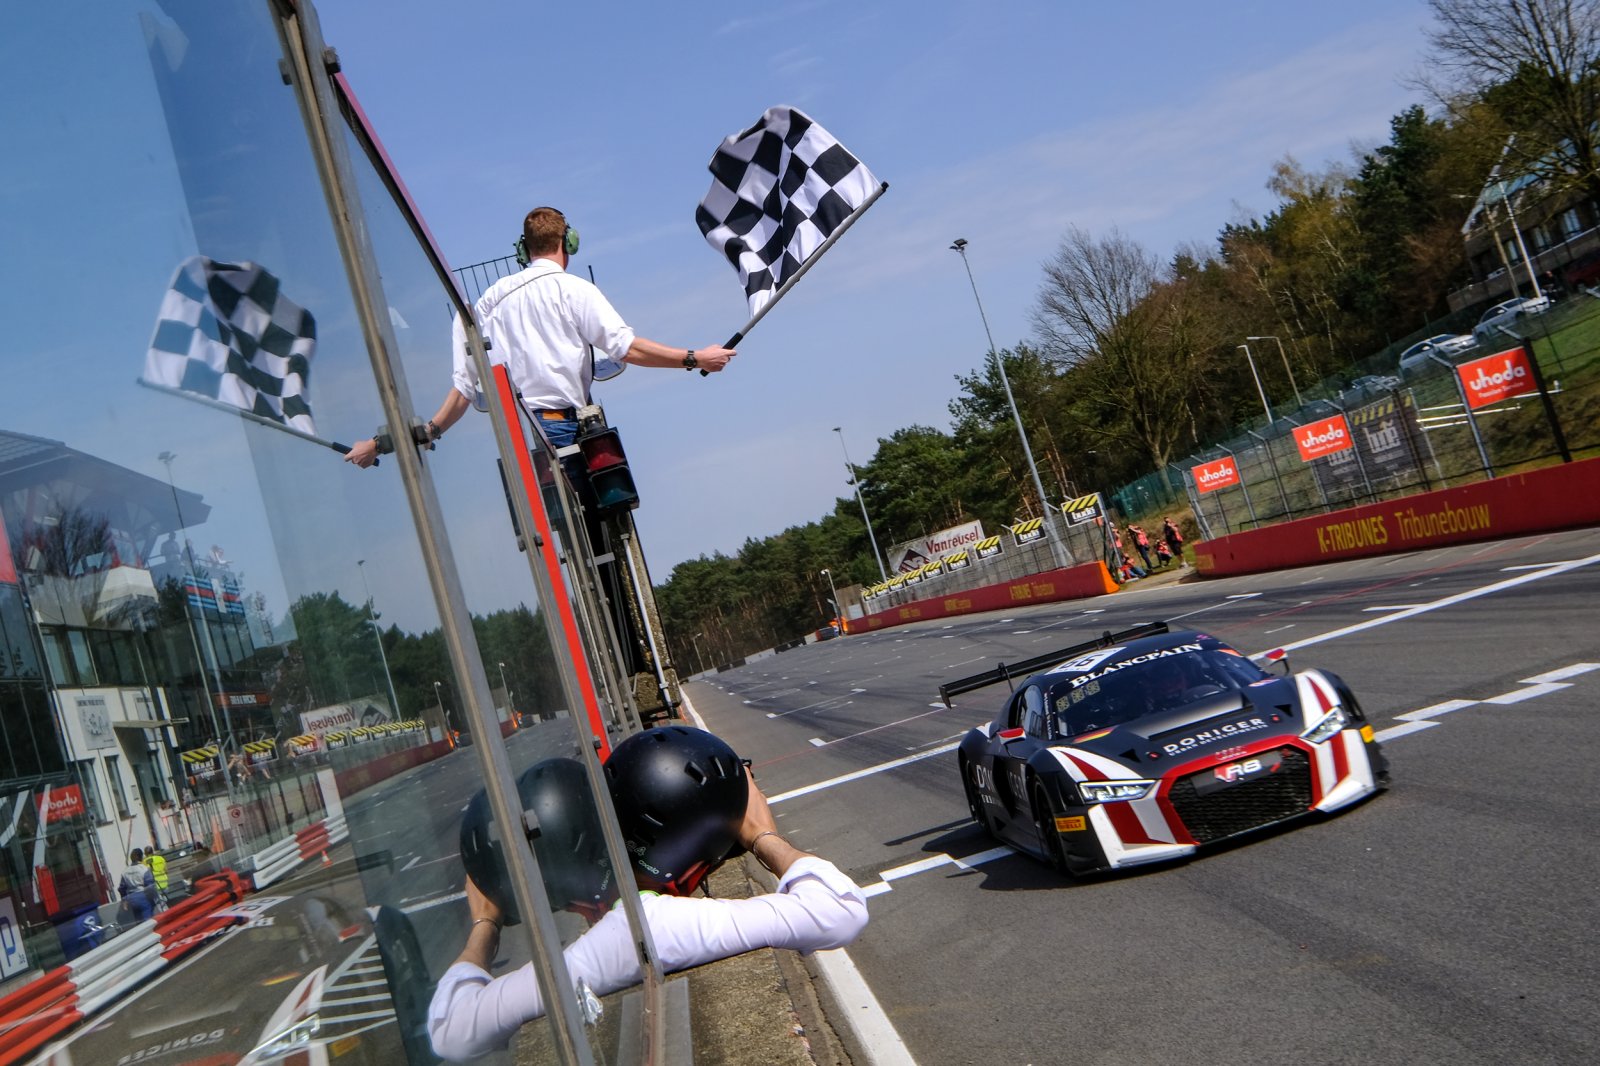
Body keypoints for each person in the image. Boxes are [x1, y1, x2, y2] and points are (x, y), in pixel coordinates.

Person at [428, 727, 867, 1061]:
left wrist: (485, 923)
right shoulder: (659, 926)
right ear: (696, 868)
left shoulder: (580, 963)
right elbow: (840, 909)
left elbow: (449, 1029)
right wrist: (765, 838)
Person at [343, 206, 737, 467]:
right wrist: (694, 358)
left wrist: (416, 435)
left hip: (522, 437)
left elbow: (463, 391)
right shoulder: (574, 289)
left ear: (522, 250)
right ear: (568, 244)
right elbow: (628, 349)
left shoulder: (482, 307)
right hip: (569, 425)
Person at [118, 848, 159, 925]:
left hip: (131, 899)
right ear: (141, 857)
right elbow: (150, 886)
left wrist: (124, 900)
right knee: (148, 922)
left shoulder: (125, 871)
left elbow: (122, 888)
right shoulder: (144, 869)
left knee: (139, 922)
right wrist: (154, 898)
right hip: (143, 896)